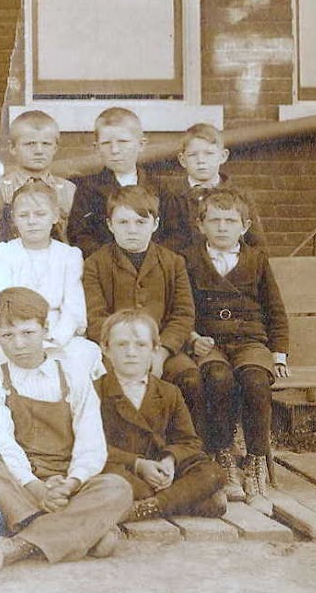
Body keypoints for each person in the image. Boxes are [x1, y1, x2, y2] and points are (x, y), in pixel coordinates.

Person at [0, 287, 132, 572]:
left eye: (28, 333)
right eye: (7, 336)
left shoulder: (72, 375)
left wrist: (71, 483)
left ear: (45, 329)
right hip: (19, 485)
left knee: (117, 487)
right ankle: (74, 532)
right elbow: (2, 445)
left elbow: (91, 442)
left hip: (64, 484)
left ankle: (18, 545)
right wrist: (36, 488)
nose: (18, 345)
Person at [182, 188, 289, 515]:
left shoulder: (256, 260)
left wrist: (280, 353)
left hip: (249, 341)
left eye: (230, 221)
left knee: (256, 380)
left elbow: (275, 309)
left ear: (244, 226)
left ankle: (256, 462)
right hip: (210, 342)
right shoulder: (189, 259)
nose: (222, 227)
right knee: (217, 377)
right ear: (201, 225)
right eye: (214, 220)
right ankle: (224, 453)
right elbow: (182, 307)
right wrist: (191, 337)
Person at [82, 185, 202, 429]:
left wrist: (161, 352)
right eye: (123, 222)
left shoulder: (173, 262)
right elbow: (95, 318)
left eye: (140, 222)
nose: (132, 230)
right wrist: (123, 350)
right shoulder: (96, 264)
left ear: (155, 224)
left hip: (162, 349)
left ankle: (190, 447)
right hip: (116, 351)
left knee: (189, 378)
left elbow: (183, 314)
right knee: (106, 381)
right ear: (110, 225)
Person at [96, 309, 227, 522]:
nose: (131, 352)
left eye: (141, 345)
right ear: (106, 349)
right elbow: (90, 447)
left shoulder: (168, 392)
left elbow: (189, 441)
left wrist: (169, 460)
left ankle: (151, 506)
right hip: (124, 469)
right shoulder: (95, 391)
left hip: (160, 470)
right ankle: (182, 500)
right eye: (121, 345)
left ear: (155, 349)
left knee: (213, 471)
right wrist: (138, 464)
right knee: (106, 478)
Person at [0, 181, 102, 379]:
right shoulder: (3, 254)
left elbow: (74, 309)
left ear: (55, 216)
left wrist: (54, 339)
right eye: (24, 215)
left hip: (59, 332)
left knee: (86, 353)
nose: (32, 221)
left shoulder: (69, 255)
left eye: (40, 214)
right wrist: (27, 338)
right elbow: (0, 302)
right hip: (16, 333)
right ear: (14, 219)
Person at [67, 107, 188, 257]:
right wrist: (115, 261)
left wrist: (149, 259)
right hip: (107, 269)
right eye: (106, 143)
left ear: (141, 145)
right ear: (96, 148)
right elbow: (80, 236)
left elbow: (176, 234)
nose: (115, 150)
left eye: (123, 141)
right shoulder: (88, 189)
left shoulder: (161, 188)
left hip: (154, 268)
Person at [168, 122, 267, 248]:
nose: (201, 161)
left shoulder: (240, 196)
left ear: (223, 156)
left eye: (209, 154)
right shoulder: (171, 196)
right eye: (193, 155)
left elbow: (257, 244)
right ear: (182, 160)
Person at [0, 110, 75, 246]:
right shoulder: (0, 189)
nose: (39, 150)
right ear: (13, 148)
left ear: (55, 148)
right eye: (30, 144)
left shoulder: (68, 189)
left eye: (46, 144)